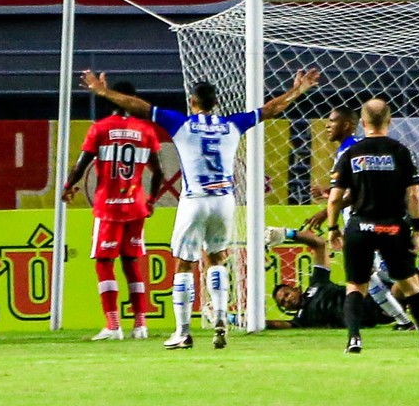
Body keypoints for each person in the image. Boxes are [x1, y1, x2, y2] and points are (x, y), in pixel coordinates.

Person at [81, 68, 320, 350]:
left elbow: (140, 107)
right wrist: (297, 90)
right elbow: (270, 109)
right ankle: (221, 318)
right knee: (217, 259)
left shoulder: (180, 123)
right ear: (215, 103)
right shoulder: (232, 124)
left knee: (184, 264)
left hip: (195, 199)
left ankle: (182, 331)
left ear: (192, 102)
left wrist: (104, 92)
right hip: (224, 200)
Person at [327, 98, 419, 353]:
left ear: (363, 123)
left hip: (360, 227)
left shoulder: (350, 153)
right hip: (393, 228)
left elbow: (334, 199)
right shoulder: (401, 151)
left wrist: (333, 229)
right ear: (388, 121)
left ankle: (354, 339)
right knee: (411, 285)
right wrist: (417, 230)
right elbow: (414, 195)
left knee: (356, 285)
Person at [63, 81, 164, 341]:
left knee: (104, 262)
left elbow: (81, 164)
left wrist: (68, 186)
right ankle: (140, 326)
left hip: (109, 207)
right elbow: (159, 172)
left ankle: (113, 325)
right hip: (136, 206)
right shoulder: (145, 130)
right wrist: (151, 200)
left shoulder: (100, 129)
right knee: (131, 262)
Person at [266, 226, 419, 329]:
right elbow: (276, 325)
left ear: (294, 287)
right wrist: (241, 320)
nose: (286, 299)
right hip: (372, 312)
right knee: (404, 283)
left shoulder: (317, 284)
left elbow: (319, 245)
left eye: (285, 294)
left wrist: (287, 233)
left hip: (368, 289)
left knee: (406, 269)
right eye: (282, 302)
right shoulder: (301, 319)